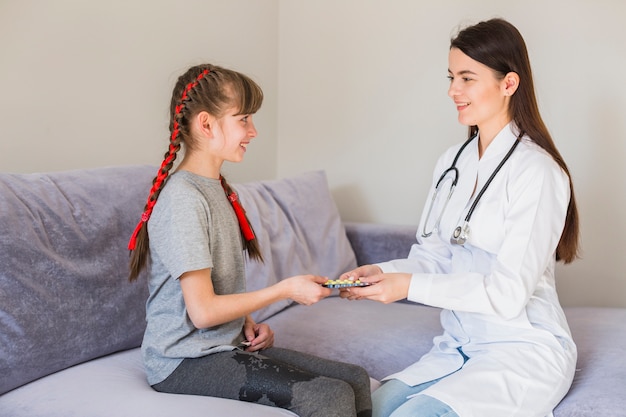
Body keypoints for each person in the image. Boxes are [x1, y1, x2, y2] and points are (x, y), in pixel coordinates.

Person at [339, 18, 579, 417]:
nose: (453, 90)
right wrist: (381, 274)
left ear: (509, 84)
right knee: (368, 411)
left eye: (467, 78)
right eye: (452, 77)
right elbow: (432, 256)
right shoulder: (451, 162)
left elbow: (507, 295)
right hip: (458, 347)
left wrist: (408, 286)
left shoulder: (538, 173)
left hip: (521, 351)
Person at [127, 63, 372, 417]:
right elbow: (203, 312)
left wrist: (247, 323)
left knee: (354, 379)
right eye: (243, 119)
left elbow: (217, 295)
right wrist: (285, 290)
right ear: (207, 124)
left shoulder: (217, 190)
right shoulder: (183, 198)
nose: (253, 131)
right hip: (182, 361)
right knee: (329, 397)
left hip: (223, 347)